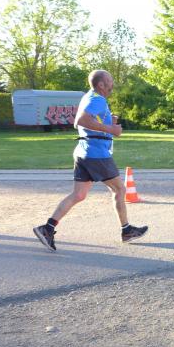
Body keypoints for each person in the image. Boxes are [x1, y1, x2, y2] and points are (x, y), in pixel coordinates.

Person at [33, 70, 148, 251]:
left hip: (83, 152)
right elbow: (81, 120)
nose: (112, 83)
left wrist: (109, 122)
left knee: (78, 195)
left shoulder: (88, 97)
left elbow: (80, 121)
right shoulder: (98, 99)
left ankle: (47, 228)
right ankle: (126, 230)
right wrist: (111, 129)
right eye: (110, 80)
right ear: (101, 84)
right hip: (96, 154)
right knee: (119, 189)